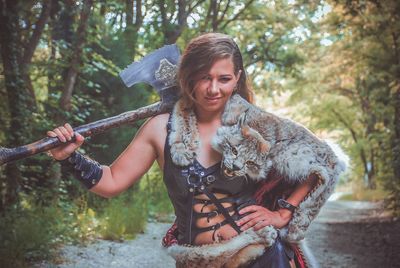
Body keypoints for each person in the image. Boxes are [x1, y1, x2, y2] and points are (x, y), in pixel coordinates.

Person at [47, 33, 319, 267]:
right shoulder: (160, 128)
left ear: (237, 78)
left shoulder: (257, 126)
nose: (213, 89)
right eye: (204, 78)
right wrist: (70, 157)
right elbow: (111, 182)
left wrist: (283, 213)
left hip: (259, 256)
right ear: (188, 78)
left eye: (223, 78)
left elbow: (320, 163)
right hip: (195, 261)